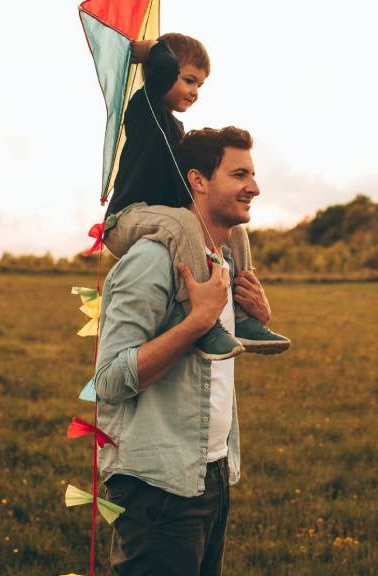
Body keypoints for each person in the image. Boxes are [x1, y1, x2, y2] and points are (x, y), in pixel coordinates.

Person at [94, 126, 271, 575]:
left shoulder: (225, 261)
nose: (254, 186)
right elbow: (110, 381)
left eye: (252, 174)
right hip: (158, 487)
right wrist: (196, 322)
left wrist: (255, 321)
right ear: (198, 180)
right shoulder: (152, 260)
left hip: (210, 472)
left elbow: (210, 360)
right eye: (239, 174)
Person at [102, 32, 289, 361]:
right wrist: (150, 50)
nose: (195, 92)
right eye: (189, 80)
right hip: (127, 219)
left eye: (200, 85)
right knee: (184, 221)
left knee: (235, 232)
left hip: (163, 216)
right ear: (163, 73)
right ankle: (203, 321)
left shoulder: (177, 130)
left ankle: (244, 316)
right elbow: (164, 63)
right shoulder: (145, 109)